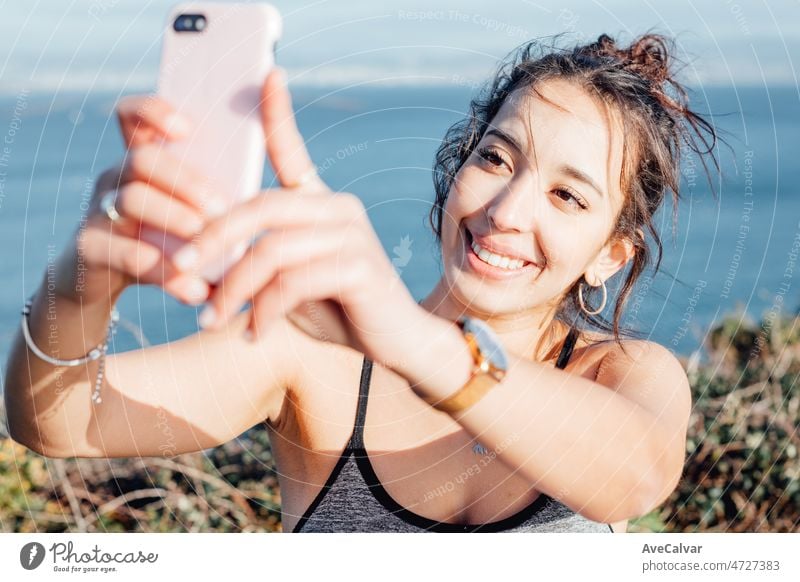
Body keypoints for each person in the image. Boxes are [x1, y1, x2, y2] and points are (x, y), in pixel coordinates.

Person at [4, 32, 717, 533]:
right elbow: (59, 423)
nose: (505, 212)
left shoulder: (622, 375)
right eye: (497, 158)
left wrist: (418, 344)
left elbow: (636, 475)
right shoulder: (313, 356)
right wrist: (79, 287)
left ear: (609, 255)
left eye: (568, 197)